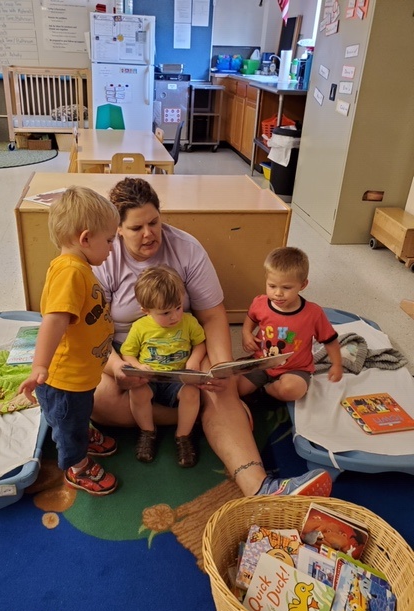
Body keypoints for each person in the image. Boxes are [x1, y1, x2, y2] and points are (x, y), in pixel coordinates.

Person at [90, 177, 333, 498]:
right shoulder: (105, 257)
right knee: (96, 399)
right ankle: (200, 416)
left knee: (218, 388)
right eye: (137, 228)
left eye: (154, 222)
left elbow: (213, 315)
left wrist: (221, 367)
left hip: (185, 347)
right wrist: (118, 366)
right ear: (118, 229)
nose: (149, 233)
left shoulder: (186, 248)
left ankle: (260, 488)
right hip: (128, 351)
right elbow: (92, 333)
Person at [19, 186, 120, 496]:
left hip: (82, 375)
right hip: (65, 381)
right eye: (110, 241)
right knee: (68, 424)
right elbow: (53, 320)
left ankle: (79, 432)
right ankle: (77, 466)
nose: (112, 249)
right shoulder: (70, 273)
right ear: (85, 238)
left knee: (77, 414)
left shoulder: (78, 267)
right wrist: (39, 365)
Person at [120, 265, 206, 467]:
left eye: (178, 307)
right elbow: (127, 353)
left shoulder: (189, 322)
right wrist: (138, 367)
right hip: (150, 378)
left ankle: (183, 436)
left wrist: (194, 360)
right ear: (146, 310)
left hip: (178, 379)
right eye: (166, 313)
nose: (175, 316)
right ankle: (147, 432)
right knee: (137, 392)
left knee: (192, 393)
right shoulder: (140, 327)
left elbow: (200, 344)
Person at [238, 246, 343, 402]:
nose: (278, 293)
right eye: (272, 286)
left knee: (293, 390)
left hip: (295, 369)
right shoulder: (260, 302)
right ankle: (265, 386)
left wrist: (337, 364)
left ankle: (266, 391)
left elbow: (330, 340)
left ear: (303, 285)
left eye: (286, 288)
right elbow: (251, 318)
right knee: (236, 388)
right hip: (261, 362)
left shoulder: (313, 313)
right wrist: (246, 333)